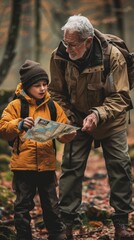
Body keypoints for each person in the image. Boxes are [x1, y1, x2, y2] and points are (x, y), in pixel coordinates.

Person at [48, 15, 134, 240]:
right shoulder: (58, 57)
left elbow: (121, 97)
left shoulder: (112, 57)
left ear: (87, 41)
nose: (68, 49)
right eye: (65, 43)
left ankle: (122, 224)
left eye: (73, 44)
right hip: (76, 120)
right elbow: (56, 92)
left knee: (120, 168)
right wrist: (67, 117)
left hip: (111, 120)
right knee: (70, 169)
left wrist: (97, 114)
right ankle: (66, 224)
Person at [0, 59, 76, 240]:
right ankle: (24, 235)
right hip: (23, 167)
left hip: (47, 166)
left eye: (45, 84)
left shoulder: (52, 106)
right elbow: (3, 128)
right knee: (22, 205)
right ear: (27, 86)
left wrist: (69, 134)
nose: (42, 89)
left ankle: (57, 234)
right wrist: (18, 124)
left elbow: (63, 130)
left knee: (51, 204)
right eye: (37, 85)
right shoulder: (16, 106)